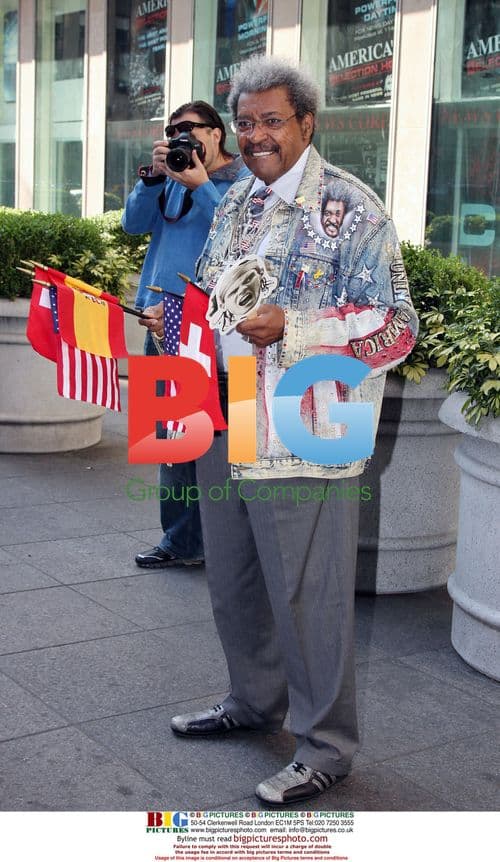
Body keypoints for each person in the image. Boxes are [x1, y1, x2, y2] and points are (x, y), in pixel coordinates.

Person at [170, 58, 418, 806]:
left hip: (309, 423)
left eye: (271, 121)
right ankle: (252, 701)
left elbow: (398, 328)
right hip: (233, 408)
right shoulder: (237, 199)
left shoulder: (352, 207)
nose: (255, 136)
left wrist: (298, 327)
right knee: (237, 579)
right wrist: (180, 321)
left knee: (309, 596)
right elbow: (220, 292)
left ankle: (326, 748)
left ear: (307, 123)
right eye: (244, 123)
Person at [122, 100, 248, 568]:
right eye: (172, 130)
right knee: (173, 442)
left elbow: (244, 240)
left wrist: (203, 186)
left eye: (188, 129)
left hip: (222, 333)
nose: (180, 138)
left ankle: (237, 545)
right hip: (163, 327)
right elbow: (132, 225)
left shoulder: (245, 181)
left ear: (216, 133)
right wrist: (152, 180)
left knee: (234, 441)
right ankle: (181, 542)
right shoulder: (170, 177)